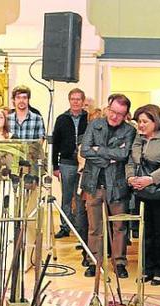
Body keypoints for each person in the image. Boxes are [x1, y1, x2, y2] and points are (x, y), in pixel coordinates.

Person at [79, 93, 136, 279]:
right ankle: (94, 262)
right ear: (107, 108)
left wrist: (100, 151)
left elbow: (124, 155)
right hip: (93, 183)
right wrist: (109, 157)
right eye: (112, 111)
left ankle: (119, 262)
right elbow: (85, 150)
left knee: (119, 226)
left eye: (120, 114)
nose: (114, 116)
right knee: (95, 226)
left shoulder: (129, 130)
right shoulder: (94, 125)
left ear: (126, 115)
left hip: (117, 185)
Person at [126, 104, 160, 285]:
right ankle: (147, 268)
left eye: (144, 121)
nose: (140, 125)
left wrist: (150, 179)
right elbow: (131, 161)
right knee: (145, 232)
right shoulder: (138, 139)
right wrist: (131, 178)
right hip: (142, 191)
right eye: (139, 121)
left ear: (155, 121)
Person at [52, 88, 88, 240]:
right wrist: (55, 166)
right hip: (66, 163)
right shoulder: (61, 119)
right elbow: (56, 142)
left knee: (80, 198)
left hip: (83, 164)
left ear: (83, 101)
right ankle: (65, 226)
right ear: (69, 100)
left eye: (78, 99)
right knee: (66, 197)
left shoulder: (89, 118)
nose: (75, 102)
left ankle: (80, 229)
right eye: (73, 99)